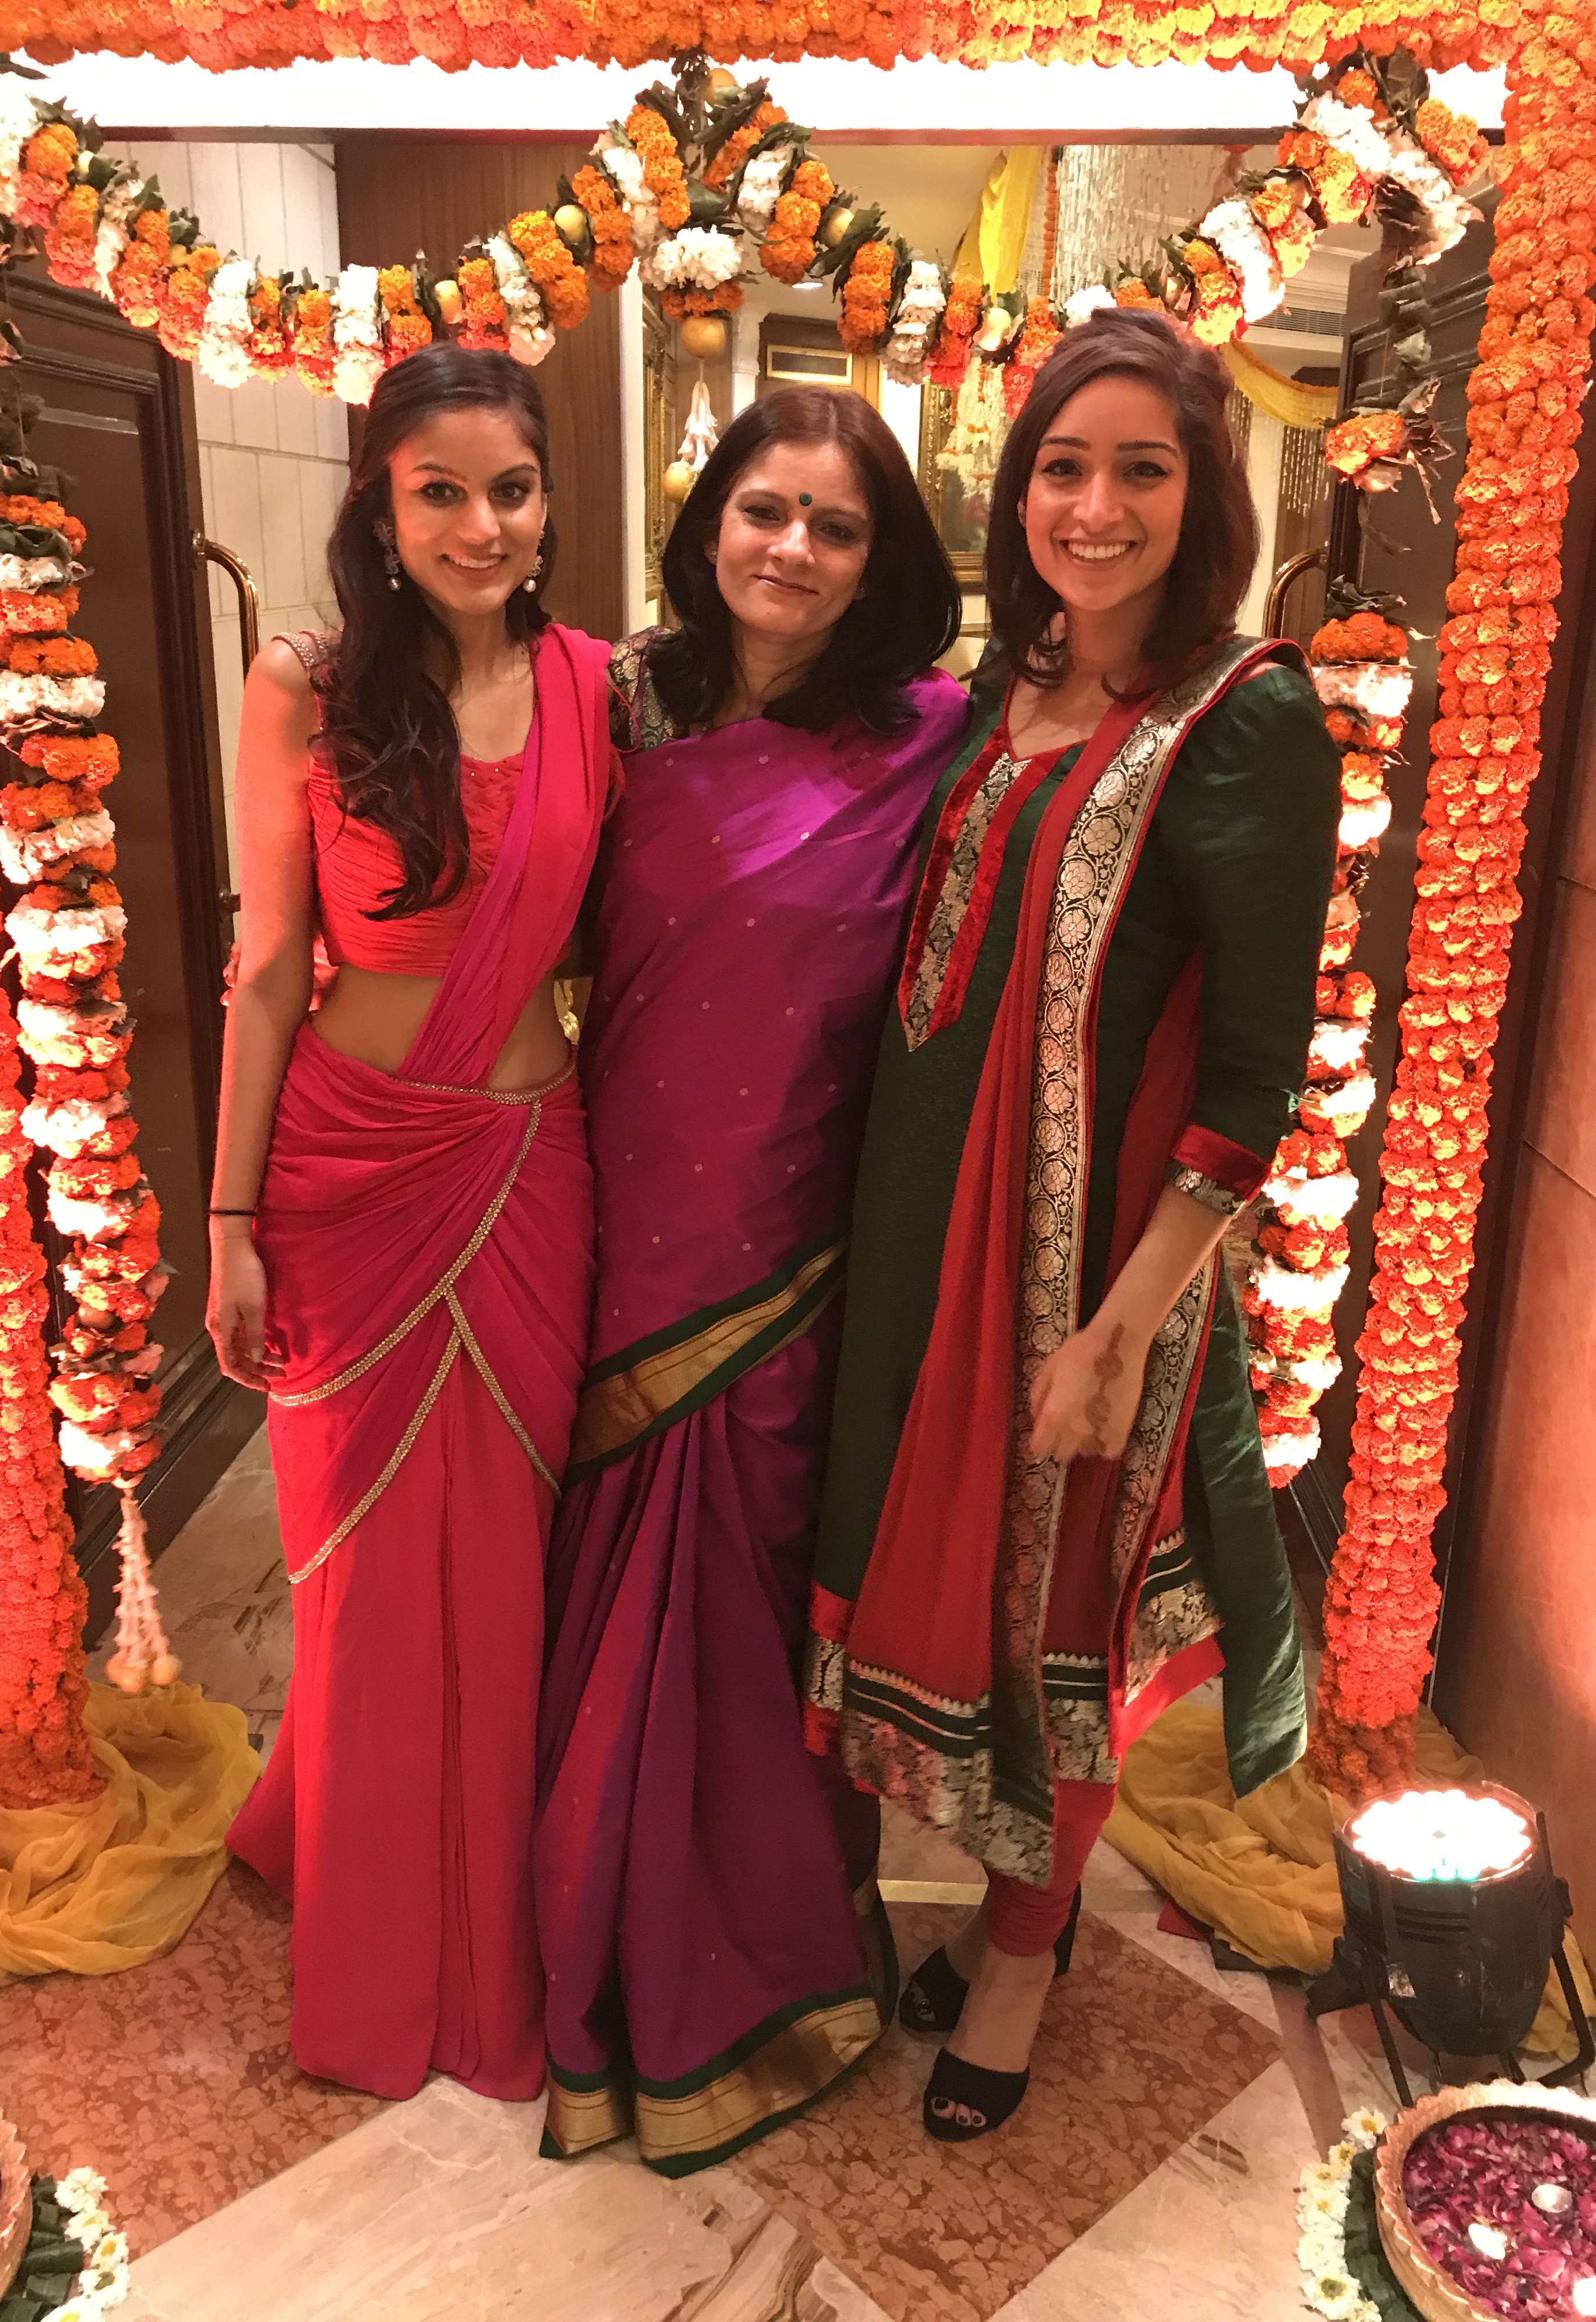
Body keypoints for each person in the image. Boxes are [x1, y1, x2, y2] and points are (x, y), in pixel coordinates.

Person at [803, 308, 1341, 2143]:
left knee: (1056, 1613)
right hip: (922, 1234)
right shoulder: (1001, 688)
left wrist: (1122, 1330)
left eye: (1142, 471)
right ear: (1015, 487)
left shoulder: (1245, 717)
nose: (1095, 507)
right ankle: (986, 1912)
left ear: (1204, 499)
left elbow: (1256, 1073)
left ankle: (1025, 1955)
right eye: (1063, 466)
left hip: (1090, 1263)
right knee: (938, 1592)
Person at [534, 388, 967, 2175]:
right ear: (706, 521)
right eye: (763, 510)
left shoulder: (936, 738)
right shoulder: (613, 706)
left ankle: (756, 1963)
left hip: (800, 1258)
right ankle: (579, 1925)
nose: (792, 548)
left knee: (749, 1606)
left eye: (836, 525)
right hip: (611, 1228)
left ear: (882, 564)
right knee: (602, 1583)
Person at [205, 346, 615, 2104]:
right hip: (346, 1178)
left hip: (528, 1170)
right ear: (381, 502)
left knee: (510, 1565)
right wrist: (229, 1215)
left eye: (508, 489)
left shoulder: (599, 687)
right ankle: (374, 1929)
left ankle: (494, 1922)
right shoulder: (301, 688)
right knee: (363, 1574)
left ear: (547, 501)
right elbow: (267, 970)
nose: (479, 524)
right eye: (438, 490)